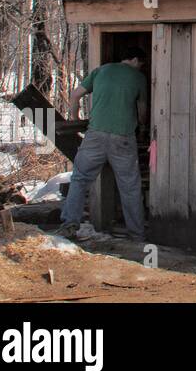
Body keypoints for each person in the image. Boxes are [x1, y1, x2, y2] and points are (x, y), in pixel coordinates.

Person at [57, 46, 148, 241]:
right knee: (130, 186)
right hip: (123, 137)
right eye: (141, 63)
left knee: (80, 179)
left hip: (95, 135)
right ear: (133, 60)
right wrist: (141, 127)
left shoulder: (100, 71)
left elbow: (74, 95)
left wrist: (75, 120)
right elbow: (142, 112)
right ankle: (136, 234)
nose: (141, 67)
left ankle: (70, 224)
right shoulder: (138, 78)